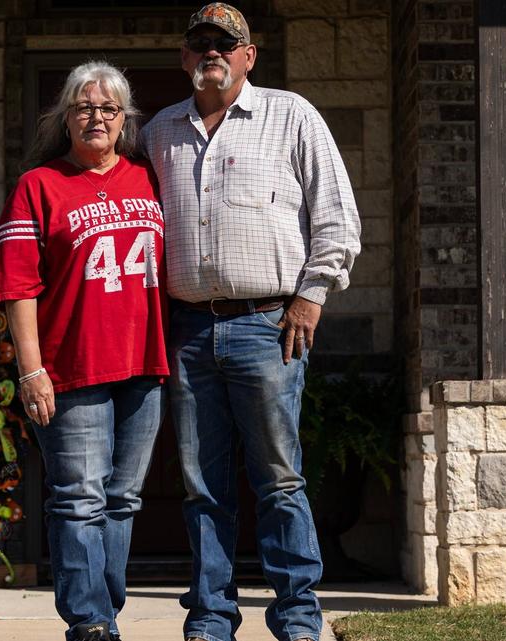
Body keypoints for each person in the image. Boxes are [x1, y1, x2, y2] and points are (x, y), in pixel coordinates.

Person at [139, 4, 361, 641]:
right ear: (185, 57)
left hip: (270, 325)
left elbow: (337, 218)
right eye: (200, 42)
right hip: (187, 330)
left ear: (248, 55)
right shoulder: (158, 132)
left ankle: (297, 616)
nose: (212, 51)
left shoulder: (291, 116)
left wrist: (311, 297)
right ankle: (211, 617)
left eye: (225, 42)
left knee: (279, 478)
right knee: (201, 484)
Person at [0, 61, 169, 641]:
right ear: (65, 117)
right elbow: (18, 286)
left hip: (144, 365)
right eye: (84, 107)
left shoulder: (149, 178)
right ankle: (89, 620)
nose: (97, 117)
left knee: (122, 500)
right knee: (78, 500)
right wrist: (31, 370)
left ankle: (102, 613)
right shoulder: (38, 185)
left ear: (125, 119)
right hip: (72, 367)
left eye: (109, 108)